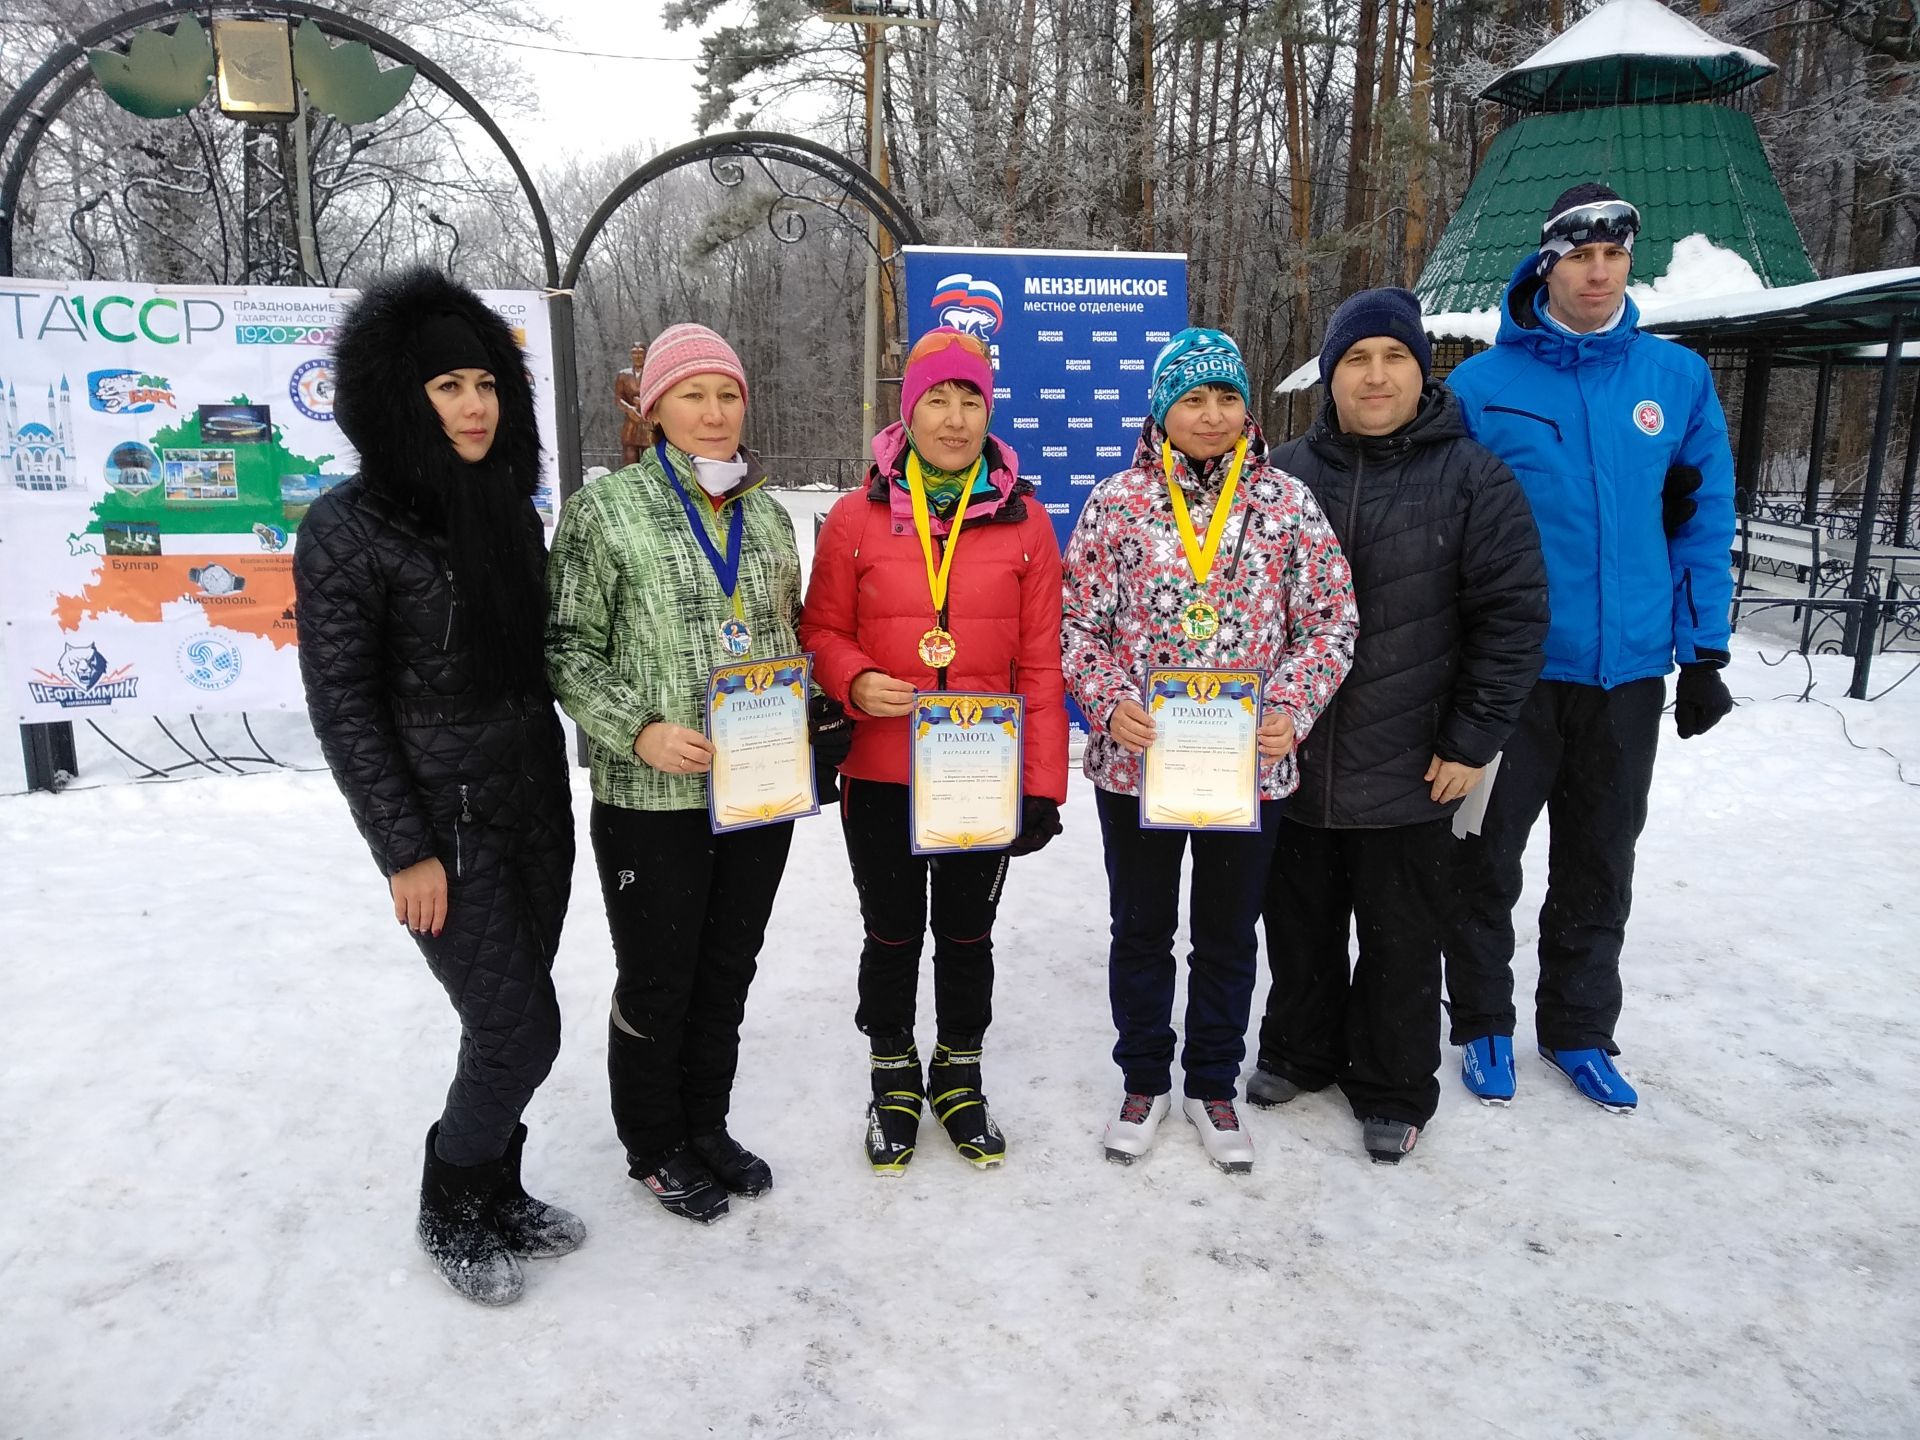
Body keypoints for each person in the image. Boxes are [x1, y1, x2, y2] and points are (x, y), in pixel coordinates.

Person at [294, 267, 582, 1307]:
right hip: (443, 833)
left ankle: (499, 1192)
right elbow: (346, 710)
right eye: (448, 386)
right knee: (520, 1033)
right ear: (398, 397)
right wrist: (403, 848)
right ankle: (449, 1203)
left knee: (512, 1013)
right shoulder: (345, 530)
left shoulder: (505, 507)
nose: (473, 406)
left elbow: (546, 661)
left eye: (486, 384)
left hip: (534, 808)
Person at [1443, 184, 1737, 1112]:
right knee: (1483, 856)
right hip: (1513, 678)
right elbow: (1442, 532)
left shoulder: (1674, 380)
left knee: (1601, 858)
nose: (1599, 272)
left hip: (1628, 673)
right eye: (1580, 256)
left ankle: (1577, 1029)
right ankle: (1483, 1022)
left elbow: (1701, 516)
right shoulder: (1481, 389)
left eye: (1614, 255)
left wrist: (1705, 651)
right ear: (1547, 262)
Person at [547, 323, 844, 1225]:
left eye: (728, 395)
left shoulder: (766, 517)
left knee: (728, 969)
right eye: (692, 395)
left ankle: (705, 1123)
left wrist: (806, 711)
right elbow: (563, 646)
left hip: (754, 792)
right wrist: (635, 732)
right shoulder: (607, 511)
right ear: (654, 407)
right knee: (658, 975)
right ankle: (652, 1140)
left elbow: (782, 635)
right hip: (651, 798)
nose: (714, 413)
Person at [1246, 287, 1549, 1164]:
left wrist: (1472, 738)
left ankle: (1391, 1082)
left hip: (1414, 764)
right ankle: (1300, 1049)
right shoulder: (1284, 477)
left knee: (1401, 935)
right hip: (1291, 761)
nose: (1375, 376)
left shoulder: (1475, 479)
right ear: (1329, 376)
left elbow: (1514, 617)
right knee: (1296, 923)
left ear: (1422, 370)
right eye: (1356, 359)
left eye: (1393, 358)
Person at [1061, 326, 1358, 1174]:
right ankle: (1145, 1078)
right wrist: (1110, 701)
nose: (1213, 413)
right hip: (1138, 765)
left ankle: (1213, 1082)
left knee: (1229, 934)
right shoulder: (1116, 502)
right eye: (1192, 398)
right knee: (1142, 928)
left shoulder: (1285, 503)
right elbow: (1077, 622)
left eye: (1227, 396)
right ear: (1161, 410)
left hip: (1246, 767)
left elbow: (1332, 619)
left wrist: (1292, 707)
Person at [800, 327, 1069, 1176]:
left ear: (990, 411)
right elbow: (821, 631)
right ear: (907, 411)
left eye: (970, 401)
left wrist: (1041, 787)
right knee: (890, 932)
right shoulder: (854, 515)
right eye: (937, 401)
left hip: (979, 775)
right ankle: (890, 1071)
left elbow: (1042, 663)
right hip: (881, 769)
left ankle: (959, 1070)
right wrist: (853, 680)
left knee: (966, 933)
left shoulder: (1027, 521)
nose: (954, 420)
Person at [615, 341, 652, 467]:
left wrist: (645, 402)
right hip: (631, 421)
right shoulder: (624, 375)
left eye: (640, 353)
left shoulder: (652, 373)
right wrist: (629, 409)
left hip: (647, 420)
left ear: (646, 354)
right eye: (634, 353)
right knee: (630, 457)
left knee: (649, 457)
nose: (637, 356)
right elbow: (618, 398)